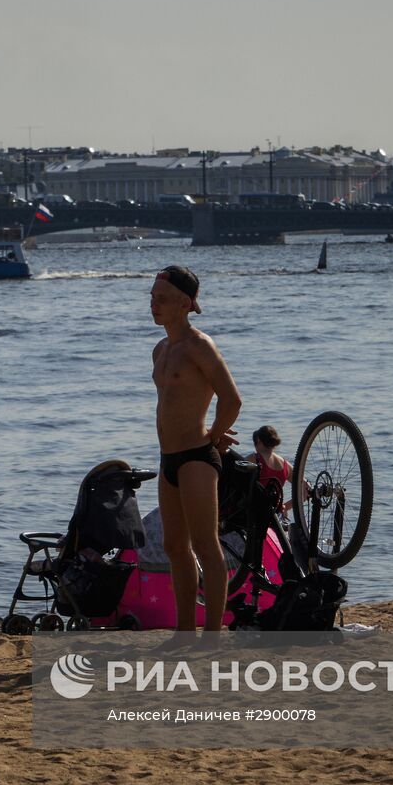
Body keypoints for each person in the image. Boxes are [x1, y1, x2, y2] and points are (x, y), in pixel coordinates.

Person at [150, 264, 242, 633]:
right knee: (174, 546)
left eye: (163, 299)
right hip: (168, 458)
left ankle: (212, 636)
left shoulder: (199, 345)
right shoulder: (160, 350)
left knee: (206, 544)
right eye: (152, 298)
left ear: (185, 303)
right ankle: (185, 631)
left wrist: (216, 437)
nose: (154, 305)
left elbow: (232, 399)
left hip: (197, 458)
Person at [251, 425, 294, 516]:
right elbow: (305, 490)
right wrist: (285, 507)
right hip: (275, 514)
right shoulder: (285, 465)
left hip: (255, 513)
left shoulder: (254, 458)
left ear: (258, 440)